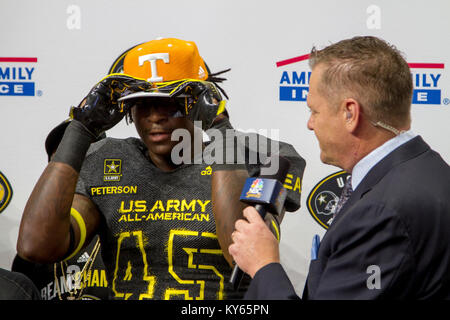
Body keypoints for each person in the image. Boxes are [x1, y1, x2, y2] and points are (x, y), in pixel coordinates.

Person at [17, 38, 305, 300]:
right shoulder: (106, 160)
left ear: (198, 104)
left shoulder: (267, 157)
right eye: (141, 104)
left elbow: (241, 254)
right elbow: (35, 246)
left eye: (169, 103)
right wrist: (82, 127)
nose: (155, 116)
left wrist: (220, 128)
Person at [228, 36, 450, 299]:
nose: (310, 124)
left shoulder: (380, 213)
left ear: (350, 114)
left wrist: (264, 266)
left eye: (314, 111)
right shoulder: (429, 168)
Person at [12, 119, 110, 300]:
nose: (74, 166)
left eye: (85, 155)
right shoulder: (32, 246)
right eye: (64, 159)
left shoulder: (124, 232)